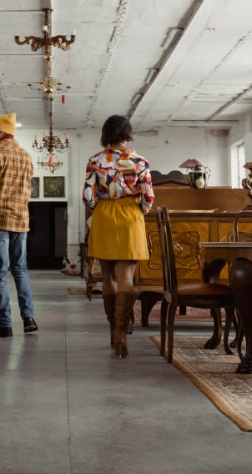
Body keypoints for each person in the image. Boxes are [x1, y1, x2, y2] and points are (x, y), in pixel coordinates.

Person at [83, 115, 154, 358]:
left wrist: (100, 206)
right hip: (130, 216)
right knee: (126, 277)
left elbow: (87, 196)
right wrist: (139, 209)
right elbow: (148, 198)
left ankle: (113, 329)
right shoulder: (140, 161)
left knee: (108, 277)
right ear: (127, 133)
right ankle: (123, 333)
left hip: (104, 216)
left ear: (106, 133)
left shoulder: (95, 160)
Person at [0, 112, 37, 337]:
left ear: (1, 132)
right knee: (20, 270)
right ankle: (29, 318)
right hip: (21, 221)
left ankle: (4, 323)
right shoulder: (25, 156)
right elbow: (27, 190)